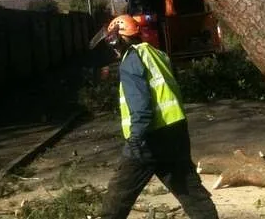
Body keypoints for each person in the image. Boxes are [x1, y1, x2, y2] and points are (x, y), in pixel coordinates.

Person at [90, 14, 219, 219]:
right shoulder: (157, 54)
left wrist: (135, 139)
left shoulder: (130, 60)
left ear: (116, 40)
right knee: (190, 192)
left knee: (117, 198)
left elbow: (141, 105)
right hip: (175, 132)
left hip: (148, 137)